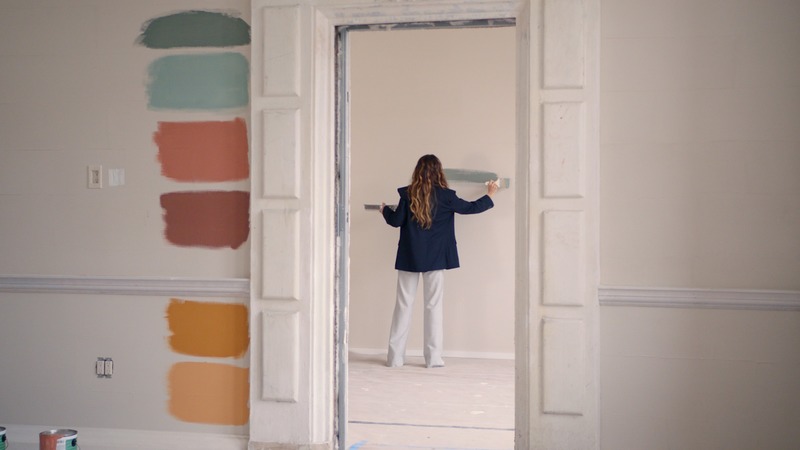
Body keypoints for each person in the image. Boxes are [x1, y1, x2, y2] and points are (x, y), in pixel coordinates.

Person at [380, 154, 498, 368]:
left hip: (409, 256)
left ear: (417, 171)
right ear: (439, 172)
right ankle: (433, 359)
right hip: (436, 258)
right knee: (433, 306)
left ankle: (395, 358)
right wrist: (490, 194)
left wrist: (384, 210)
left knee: (403, 305)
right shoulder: (446, 196)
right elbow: (470, 208)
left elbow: (396, 221)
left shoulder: (407, 194)